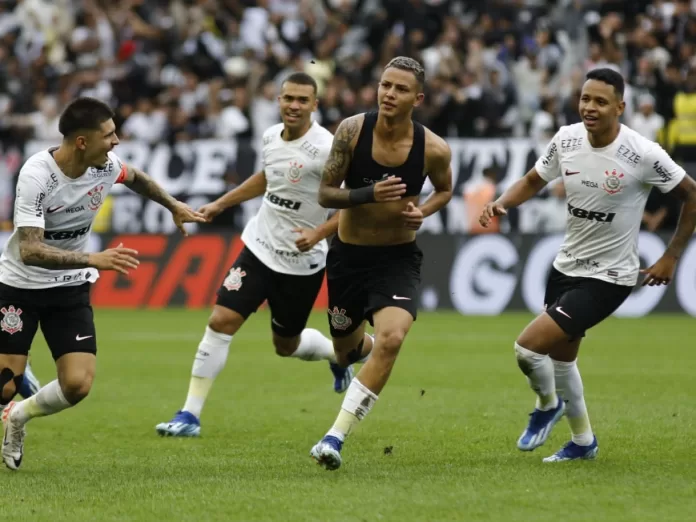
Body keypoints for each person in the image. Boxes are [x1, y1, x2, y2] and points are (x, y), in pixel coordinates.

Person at [480, 68, 696, 462]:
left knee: (527, 350)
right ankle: (583, 442)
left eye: (600, 101)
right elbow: (532, 179)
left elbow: (691, 195)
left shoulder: (643, 153)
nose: (589, 107)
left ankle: (547, 406)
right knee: (563, 361)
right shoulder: (566, 139)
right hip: (565, 267)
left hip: (609, 277)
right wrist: (503, 202)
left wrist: (670, 255)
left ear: (620, 106)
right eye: (585, 99)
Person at [1, 96, 206, 471]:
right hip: (20, 286)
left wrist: (173, 204)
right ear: (82, 142)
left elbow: (137, 178)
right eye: (109, 134)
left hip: (69, 287)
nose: (116, 141)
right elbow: (30, 250)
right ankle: (14, 385)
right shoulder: (36, 175)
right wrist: (93, 259)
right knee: (3, 386)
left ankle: (17, 418)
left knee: (77, 385)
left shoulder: (105, 166)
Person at [155, 72, 358, 438]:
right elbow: (268, 177)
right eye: (288, 98)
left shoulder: (327, 148)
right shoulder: (269, 136)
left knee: (286, 346)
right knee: (220, 321)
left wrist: (318, 232)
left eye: (302, 100)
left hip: (301, 264)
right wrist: (220, 203)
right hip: (258, 249)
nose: (293, 105)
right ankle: (189, 414)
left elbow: (352, 203)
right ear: (278, 100)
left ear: (315, 104)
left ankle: (336, 357)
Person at [308, 57, 453, 471]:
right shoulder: (352, 131)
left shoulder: (435, 148)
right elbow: (325, 194)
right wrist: (369, 195)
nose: (389, 94)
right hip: (348, 259)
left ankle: (334, 437)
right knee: (346, 348)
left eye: (400, 89)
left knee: (391, 339)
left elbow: (445, 191)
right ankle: (346, 361)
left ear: (418, 98)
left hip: (396, 259)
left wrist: (424, 211)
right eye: (385, 85)